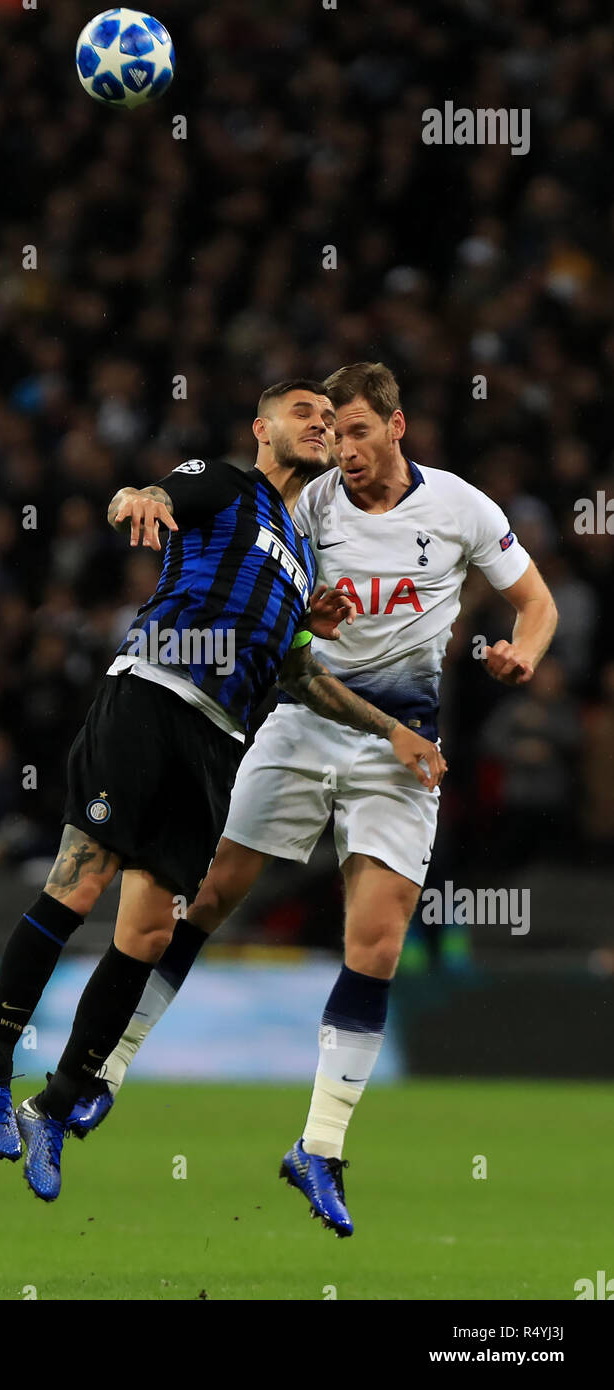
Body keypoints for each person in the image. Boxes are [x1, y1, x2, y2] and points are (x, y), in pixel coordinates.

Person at [72, 362, 558, 1237]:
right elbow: (220, 522)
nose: (345, 448)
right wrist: (144, 492)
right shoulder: (307, 504)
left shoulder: (461, 508)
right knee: (209, 894)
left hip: (401, 744)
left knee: (376, 939)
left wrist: (523, 654)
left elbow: (537, 602)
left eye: (360, 431)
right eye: (333, 431)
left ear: (397, 425)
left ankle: (320, 1149)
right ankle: (103, 1075)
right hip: (301, 721)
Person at [0, 378, 445, 1202]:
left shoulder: (301, 554)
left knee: (149, 935)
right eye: (306, 413)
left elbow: (297, 676)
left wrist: (389, 728)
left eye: (331, 419)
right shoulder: (225, 484)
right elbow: (150, 494)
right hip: (150, 698)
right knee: (80, 882)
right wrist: (134, 498)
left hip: (218, 744)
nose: (323, 426)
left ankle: (59, 1105)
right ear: (262, 428)